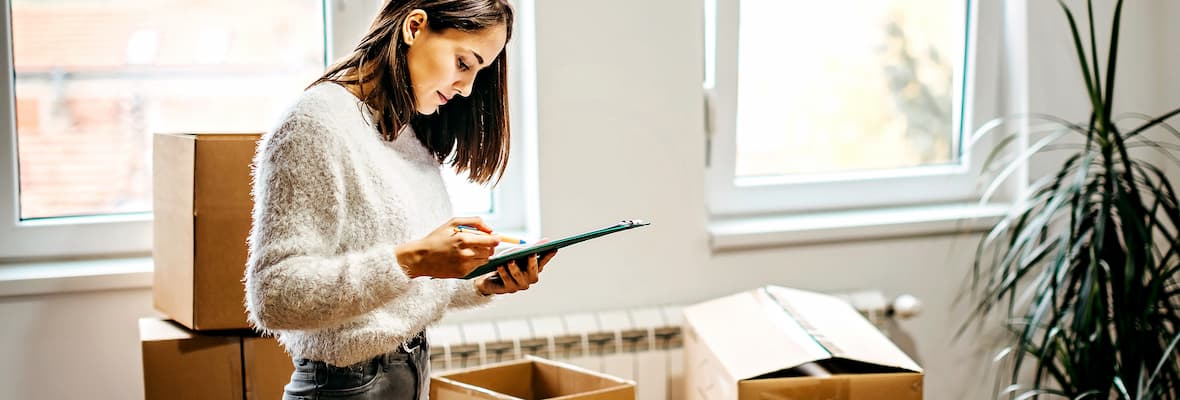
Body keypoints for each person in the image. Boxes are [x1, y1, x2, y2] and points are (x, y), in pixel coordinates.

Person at [243, 1, 553, 399]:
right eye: (463, 63)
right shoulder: (315, 125)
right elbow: (274, 295)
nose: (467, 88)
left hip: (407, 374)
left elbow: (396, 293)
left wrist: (482, 280)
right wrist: (414, 259)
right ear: (414, 27)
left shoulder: (404, 132)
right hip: (346, 388)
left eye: (479, 72)